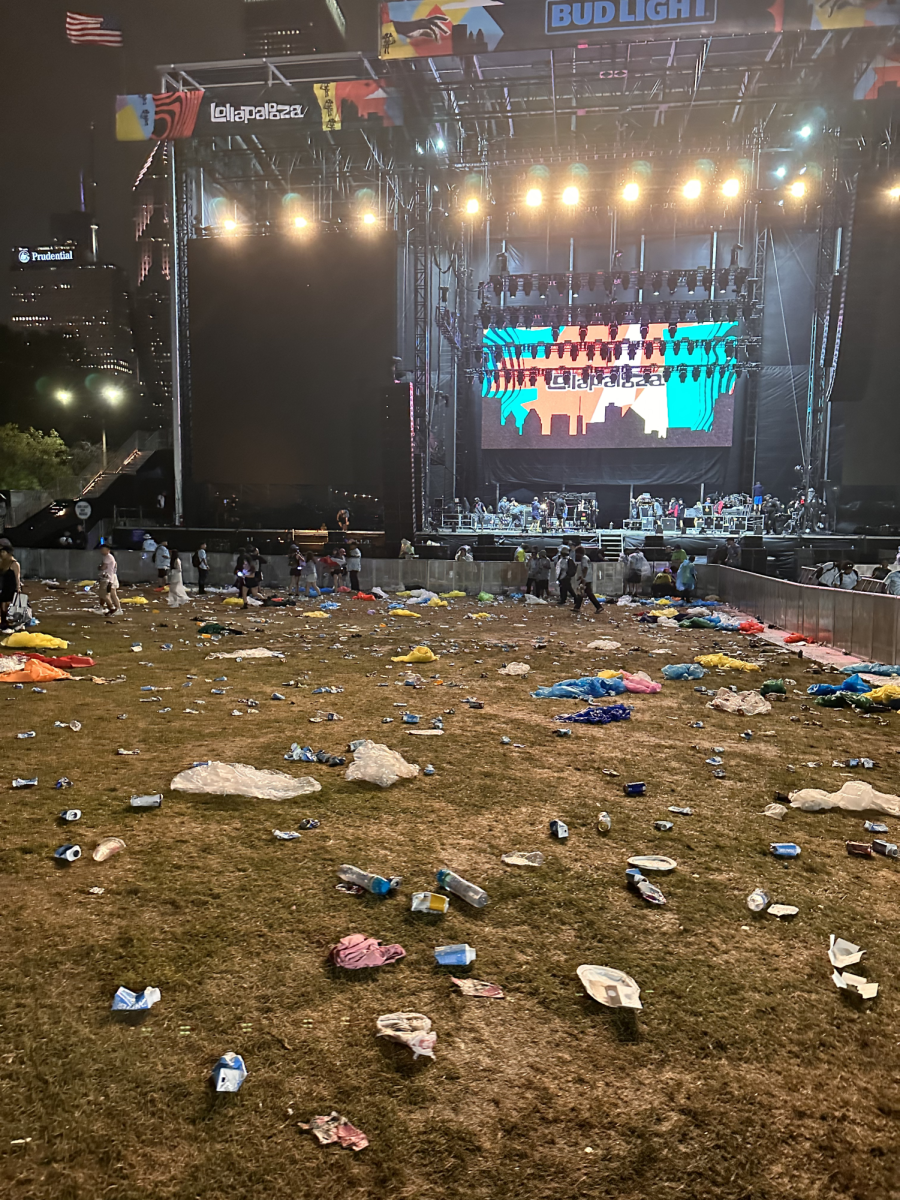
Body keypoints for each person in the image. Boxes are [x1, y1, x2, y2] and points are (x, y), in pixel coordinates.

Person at [572, 546, 601, 614]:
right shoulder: (585, 558)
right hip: (587, 578)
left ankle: (598, 607)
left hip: (586, 579)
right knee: (584, 592)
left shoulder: (584, 558)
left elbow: (585, 568)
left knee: (585, 592)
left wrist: (583, 577)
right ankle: (577, 607)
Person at [0, 538, 22, 630]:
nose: (2, 554)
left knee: (9, 605)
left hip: (11, 587)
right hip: (3, 586)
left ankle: (10, 622)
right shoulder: (2, 563)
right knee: (2, 604)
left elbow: (17, 577)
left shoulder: (14, 563)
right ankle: (3, 622)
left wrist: (18, 587)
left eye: (3, 552)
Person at [98, 543, 122, 615]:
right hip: (111, 577)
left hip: (108, 578)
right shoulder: (110, 557)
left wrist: (99, 567)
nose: (101, 551)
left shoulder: (108, 557)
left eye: (103, 549)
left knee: (104, 594)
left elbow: (103, 567)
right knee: (110, 594)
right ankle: (115, 608)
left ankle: (113, 608)